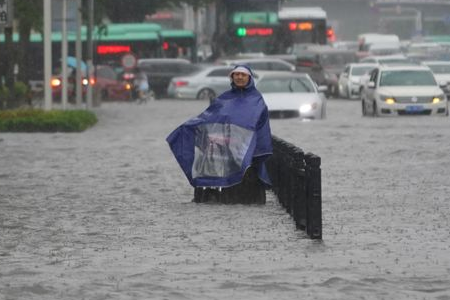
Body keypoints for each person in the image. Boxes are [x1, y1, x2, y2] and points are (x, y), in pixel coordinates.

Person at [166, 64, 273, 204]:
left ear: (249, 78)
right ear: (232, 77)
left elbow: (261, 126)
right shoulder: (223, 99)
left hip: (247, 154)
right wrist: (190, 126)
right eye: (236, 74)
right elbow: (209, 118)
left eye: (243, 75)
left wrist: (258, 150)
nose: (239, 77)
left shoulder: (257, 100)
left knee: (245, 188)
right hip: (224, 153)